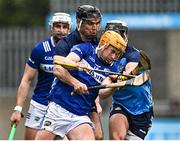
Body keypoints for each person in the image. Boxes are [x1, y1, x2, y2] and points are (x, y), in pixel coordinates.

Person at [35, 30, 127, 140]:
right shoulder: (85, 49)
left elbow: (102, 93)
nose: (114, 57)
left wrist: (114, 86)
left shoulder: (113, 68)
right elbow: (58, 69)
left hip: (80, 115)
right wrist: (75, 82)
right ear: (103, 44)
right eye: (113, 51)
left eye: (117, 54)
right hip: (58, 108)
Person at [10, 12, 71, 140]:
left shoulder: (75, 50)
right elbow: (26, 80)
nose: (61, 30)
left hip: (63, 106)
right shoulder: (40, 49)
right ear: (51, 28)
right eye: (57, 26)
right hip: (40, 104)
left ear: (69, 29)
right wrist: (18, 108)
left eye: (64, 27)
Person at [49, 5, 103, 140]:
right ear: (79, 22)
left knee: (98, 135)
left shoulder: (99, 43)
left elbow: (99, 74)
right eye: (90, 23)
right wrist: (75, 81)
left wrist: (96, 101)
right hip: (65, 96)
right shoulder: (66, 43)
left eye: (97, 24)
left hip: (87, 98)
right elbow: (57, 68)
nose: (94, 27)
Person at [98, 20, 154, 140]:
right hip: (120, 105)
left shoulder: (133, 54)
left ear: (125, 36)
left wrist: (119, 77)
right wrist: (109, 86)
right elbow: (102, 93)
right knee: (117, 137)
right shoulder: (105, 58)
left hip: (142, 110)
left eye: (119, 35)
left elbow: (130, 70)